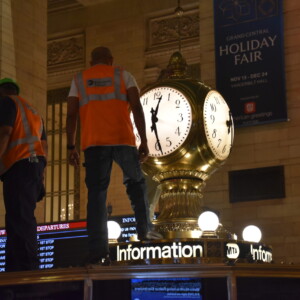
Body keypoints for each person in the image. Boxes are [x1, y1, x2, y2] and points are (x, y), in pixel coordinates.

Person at [66, 46, 162, 266]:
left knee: (97, 196)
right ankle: (145, 233)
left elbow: (72, 115)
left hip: (94, 144)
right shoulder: (123, 75)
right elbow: (137, 108)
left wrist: (71, 146)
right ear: (110, 59)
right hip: (123, 140)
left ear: (92, 62)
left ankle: (98, 252)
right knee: (136, 184)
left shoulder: (79, 79)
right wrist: (144, 141)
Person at [0, 78, 47, 272]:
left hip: (19, 166)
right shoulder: (33, 110)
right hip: (33, 168)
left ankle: (26, 269)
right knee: (18, 218)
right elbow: (44, 146)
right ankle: (14, 267)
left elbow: (4, 133)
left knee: (20, 218)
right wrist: (41, 177)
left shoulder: (6, 103)